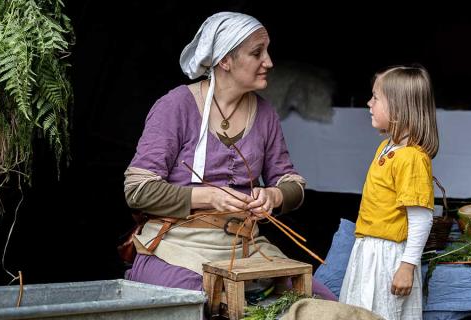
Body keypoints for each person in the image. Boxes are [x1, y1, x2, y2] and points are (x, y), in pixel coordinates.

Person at [122, 11, 335, 301]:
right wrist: (209, 197)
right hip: (178, 248)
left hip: (246, 247)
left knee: (319, 302)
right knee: (208, 303)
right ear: (225, 60)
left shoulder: (265, 114)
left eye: (267, 51)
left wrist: (273, 195)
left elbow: (292, 183)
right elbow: (138, 191)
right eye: (257, 52)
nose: (269, 62)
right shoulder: (176, 106)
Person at [339, 65, 438, 320]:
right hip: (369, 250)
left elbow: (421, 218)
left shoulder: (412, 158)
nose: (369, 103)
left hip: (389, 257)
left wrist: (407, 266)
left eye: (376, 97)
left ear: (398, 107)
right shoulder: (386, 147)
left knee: (382, 313)